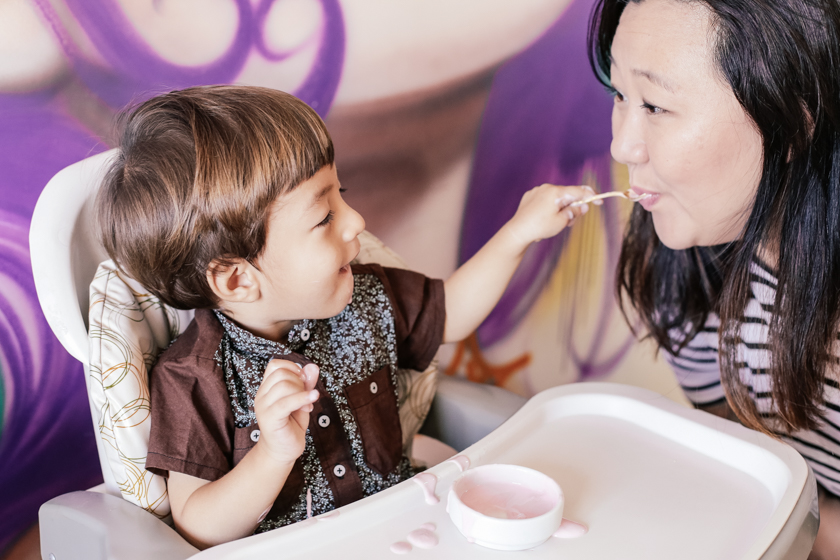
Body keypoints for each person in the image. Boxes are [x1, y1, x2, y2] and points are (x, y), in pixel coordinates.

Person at [95, 85, 592, 549]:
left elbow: (453, 313)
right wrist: (271, 453)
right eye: (324, 217)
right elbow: (197, 526)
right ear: (236, 280)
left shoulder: (367, 294)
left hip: (408, 530)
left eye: (342, 194)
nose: (356, 221)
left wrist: (519, 232)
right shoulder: (193, 378)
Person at [588, 0, 840, 556]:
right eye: (620, 96)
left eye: (655, 105)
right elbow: (748, 454)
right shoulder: (685, 255)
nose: (622, 146)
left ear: (794, 115)